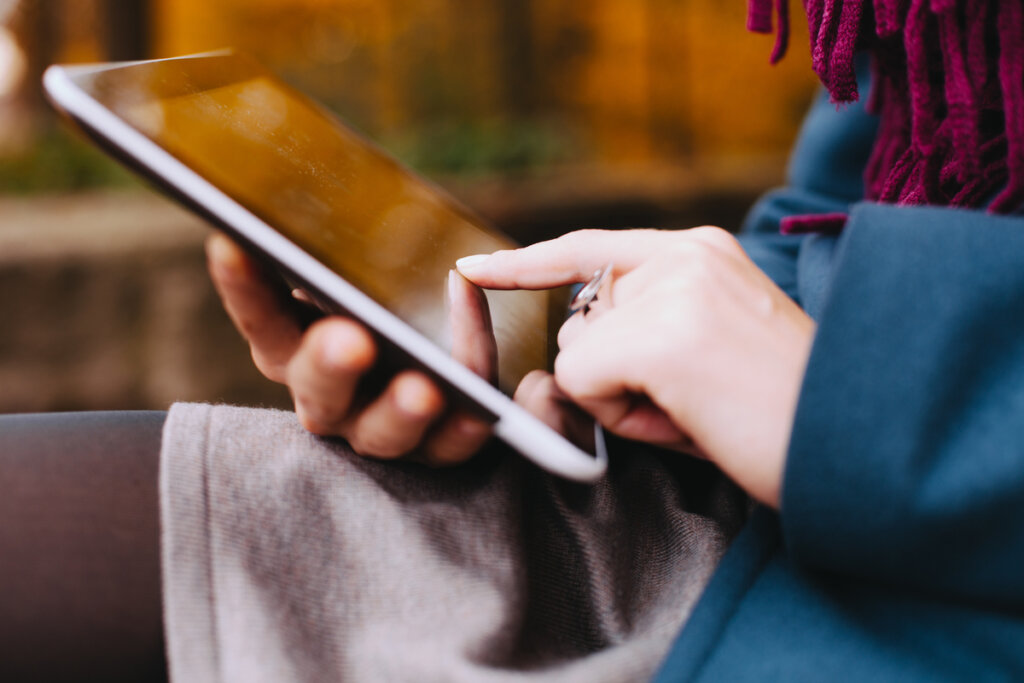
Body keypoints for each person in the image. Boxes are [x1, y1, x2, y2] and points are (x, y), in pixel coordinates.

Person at [2, 1, 1023, 680]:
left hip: (932, 559)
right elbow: (866, 185)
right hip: (756, 478)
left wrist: (857, 399)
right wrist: (692, 313)